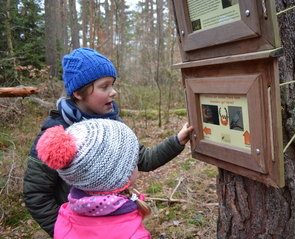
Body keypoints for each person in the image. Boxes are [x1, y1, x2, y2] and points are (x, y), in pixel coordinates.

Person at [23, 47, 193, 237]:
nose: (114, 92)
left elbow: (143, 159)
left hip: (118, 225)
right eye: (104, 87)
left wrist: (177, 141)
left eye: (112, 84)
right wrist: (68, 230)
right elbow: (36, 195)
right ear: (79, 93)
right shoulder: (54, 136)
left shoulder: (113, 124)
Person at [36, 119, 152, 239]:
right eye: (134, 160)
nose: (137, 162)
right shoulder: (134, 235)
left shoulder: (66, 216)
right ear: (118, 176)